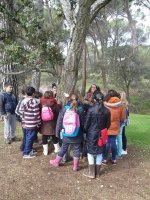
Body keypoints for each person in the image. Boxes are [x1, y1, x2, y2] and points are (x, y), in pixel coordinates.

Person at [49, 94, 83, 171]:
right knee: (77, 148)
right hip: (77, 132)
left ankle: (56, 161)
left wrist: (57, 132)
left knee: (64, 147)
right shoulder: (80, 109)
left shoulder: (65, 109)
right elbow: (83, 122)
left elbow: (59, 121)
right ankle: (75, 166)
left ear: (69, 99)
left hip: (66, 132)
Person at [83, 92, 110, 179]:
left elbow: (86, 124)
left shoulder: (91, 110)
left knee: (90, 152)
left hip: (92, 133)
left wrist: (86, 130)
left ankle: (92, 173)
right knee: (99, 152)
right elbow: (108, 125)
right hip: (101, 133)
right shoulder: (107, 111)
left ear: (94, 99)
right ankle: (97, 173)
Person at [103, 90, 125, 165]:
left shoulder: (105, 104)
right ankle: (113, 159)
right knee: (113, 142)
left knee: (107, 142)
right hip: (115, 126)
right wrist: (119, 124)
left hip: (106, 126)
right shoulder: (121, 105)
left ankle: (105, 159)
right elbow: (122, 118)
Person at [20, 86, 41, 158]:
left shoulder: (23, 101)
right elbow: (36, 114)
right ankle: (26, 153)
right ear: (33, 94)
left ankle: (27, 150)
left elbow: (21, 112)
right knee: (30, 138)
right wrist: (39, 123)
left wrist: (23, 122)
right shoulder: (33, 101)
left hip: (26, 123)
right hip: (32, 123)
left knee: (27, 137)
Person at [40, 91, 60, 155]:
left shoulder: (41, 104)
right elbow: (58, 113)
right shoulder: (55, 104)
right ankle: (57, 149)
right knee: (54, 136)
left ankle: (45, 151)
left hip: (44, 123)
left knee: (44, 137)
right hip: (53, 123)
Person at [15, 86, 27, 151]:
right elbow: (17, 111)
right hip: (24, 121)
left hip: (26, 121)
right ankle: (23, 147)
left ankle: (25, 147)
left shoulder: (26, 99)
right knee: (25, 134)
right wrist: (23, 118)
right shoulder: (22, 99)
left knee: (26, 134)